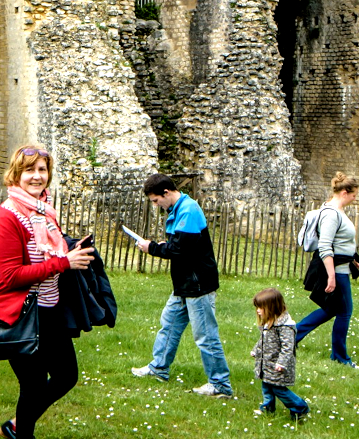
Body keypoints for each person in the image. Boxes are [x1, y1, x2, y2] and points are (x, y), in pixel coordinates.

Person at [0, 145, 95, 439]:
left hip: (51, 309)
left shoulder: (46, 212)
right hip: (20, 314)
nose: (36, 176)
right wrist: (63, 262)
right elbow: (9, 275)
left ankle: (16, 425)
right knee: (32, 386)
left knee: (66, 376)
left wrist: (71, 251)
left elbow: (49, 255)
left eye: (42, 170)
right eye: (29, 170)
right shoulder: (7, 216)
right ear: (16, 174)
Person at [129, 174, 233, 398]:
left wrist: (152, 248)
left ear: (166, 193)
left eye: (156, 201)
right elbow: (181, 243)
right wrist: (166, 244)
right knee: (169, 324)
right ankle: (158, 368)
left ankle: (220, 385)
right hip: (184, 283)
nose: (156, 206)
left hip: (198, 284)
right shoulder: (177, 210)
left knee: (205, 335)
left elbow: (180, 250)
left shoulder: (189, 209)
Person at [295, 172, 359, 366]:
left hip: (342, 267)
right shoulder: (331, 213)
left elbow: (342, 242)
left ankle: (293, 335)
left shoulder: (336, 211)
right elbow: (325, 246)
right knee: (344, 312)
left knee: (332, 309)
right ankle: (340, 357)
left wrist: (354, 259)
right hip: (336, 271)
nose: (355, 198)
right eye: (354, 194)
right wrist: (331, 276)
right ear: (345, 192)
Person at [250, 287, 309, 422]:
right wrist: (256, 350)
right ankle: (268, 408)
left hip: (277, 366)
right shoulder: (268, 323)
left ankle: (299, 407)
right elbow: (262, 340)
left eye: (260, 308)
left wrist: (282, 363)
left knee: (279, 389)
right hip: (267, 364)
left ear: (271, 308)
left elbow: (288, 347)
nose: (258, 311)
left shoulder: (285, 327)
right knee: (266, 386)